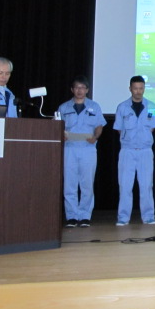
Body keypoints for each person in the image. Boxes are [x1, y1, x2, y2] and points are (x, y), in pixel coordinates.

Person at [57, 76, 106, 228]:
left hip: (88, 148)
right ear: (72, 90)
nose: (80, 90)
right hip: (69, 148)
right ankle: (71, 216)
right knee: (69, 184)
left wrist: (96, 137)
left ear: (87, 90)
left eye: (83, 88)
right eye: (77, 87)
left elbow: (99, 125)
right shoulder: (64, 107)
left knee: (87, 184)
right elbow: (57, 125)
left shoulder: (94, 106)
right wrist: (61, 135)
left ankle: (85, 216)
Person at [113, 75, 155, 226]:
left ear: (144, 89)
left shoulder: (151, 106)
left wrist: (143, 137)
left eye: (141, 88)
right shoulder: (122, 107)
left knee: (147, 185)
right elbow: (119, 128)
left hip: (145, 150)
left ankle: (148, 216)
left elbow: (153, 126)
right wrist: (130, 138)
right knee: (125, 185)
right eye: (135, 88)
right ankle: (123, 217)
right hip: (127, 151)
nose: (138, 91)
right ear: (130, 89)